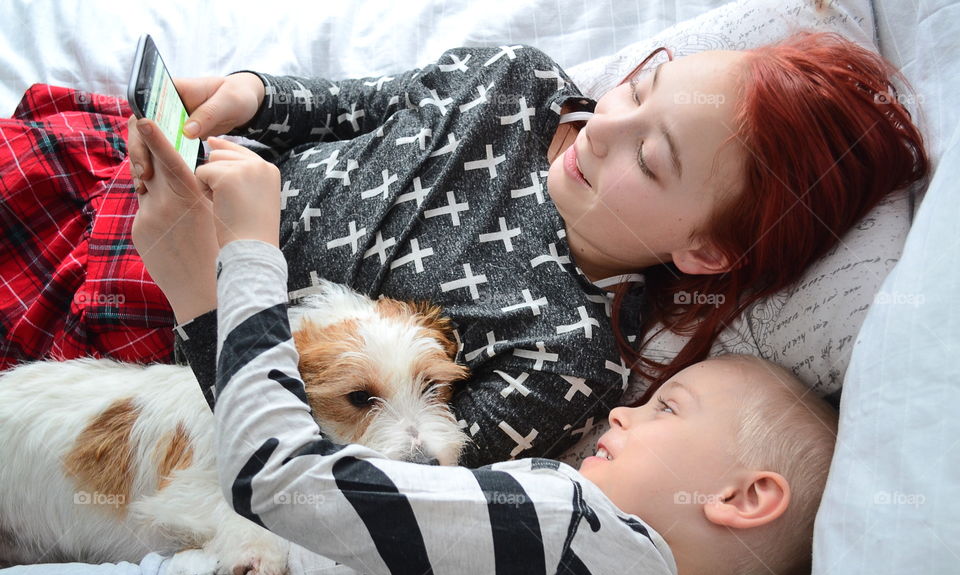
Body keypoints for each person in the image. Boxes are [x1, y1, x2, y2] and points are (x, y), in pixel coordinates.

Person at [0, 152, 840, 575]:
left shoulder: (558, 529)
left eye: (666, 408)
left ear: (746, 496)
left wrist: (242, 263)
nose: (621, 408)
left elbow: (289, 487)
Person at [0, 33, 927, 467]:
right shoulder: (516, 82)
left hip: (144, 326)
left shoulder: (566, 354)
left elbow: (367, 476)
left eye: (650, 154)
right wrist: (252, 95)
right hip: (108, 170)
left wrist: (232, 259)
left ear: (707, 251)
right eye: (642, 87)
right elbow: (356, 103)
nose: (605, 128)